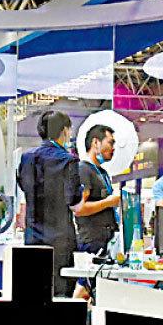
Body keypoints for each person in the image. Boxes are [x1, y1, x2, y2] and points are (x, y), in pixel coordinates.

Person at [17, 110, 82, 325]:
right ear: (64, 131)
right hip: (61, 240)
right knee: (60, 299)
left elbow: (24, 187)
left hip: (33, 238)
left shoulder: (26, 158)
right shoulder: (68, 161)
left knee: (34, 299)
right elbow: (74, 200)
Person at [72, 124, 120, 299]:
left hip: (107, 241)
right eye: (110, 142)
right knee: (84, 290)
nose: (113, 148)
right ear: (95, 143)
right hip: (92, 242)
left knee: (97, 291)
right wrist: (109, 202)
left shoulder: (103, 173)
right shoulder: (83, 169)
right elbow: (79, 208)